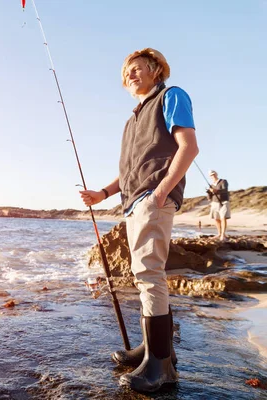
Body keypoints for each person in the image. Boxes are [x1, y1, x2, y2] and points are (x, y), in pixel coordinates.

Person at [79, 48, 199, 393]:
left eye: (138, 68)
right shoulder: (133, 118)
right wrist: (103, 194)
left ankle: (160, 368)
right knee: (145, 274)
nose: (131, 75)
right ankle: (156, 349)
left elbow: (188, 147)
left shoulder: (171, 96)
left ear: (156, 69)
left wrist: (160, 192)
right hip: (134, 202)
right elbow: (129, 171)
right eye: (126, 72)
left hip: (153, 199)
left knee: (149, 273)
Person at [207, 170, 230, 240]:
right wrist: (208, 192)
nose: (213, 175)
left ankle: (223, 234)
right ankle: (219, 233)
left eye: (213, 174)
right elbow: (209, 197)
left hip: (224, 202)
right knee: (216, 218)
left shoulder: (223, 181)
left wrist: (215, 190)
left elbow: (224, 190)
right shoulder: (211, 185)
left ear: (216, 174)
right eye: (211, 175)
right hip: (214, 203)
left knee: (223, 218)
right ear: (210, 176)